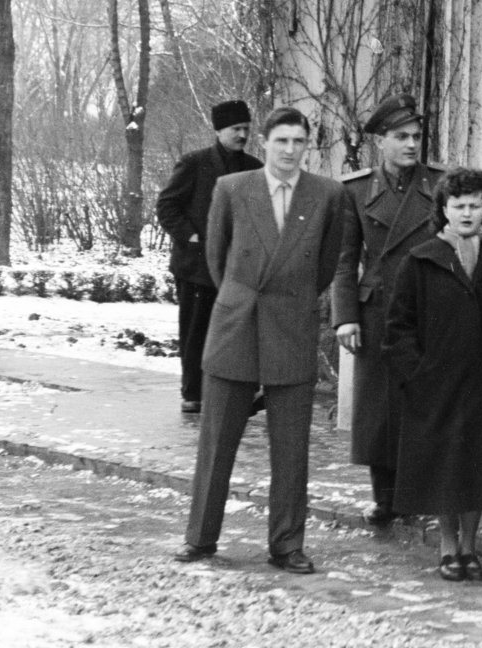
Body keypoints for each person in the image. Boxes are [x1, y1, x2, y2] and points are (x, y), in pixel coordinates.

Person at [175, 107, 347, 574]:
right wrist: (243, 296)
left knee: (291, 448)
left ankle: (287, 545)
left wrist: (289, 301)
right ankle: (201, 537)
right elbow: (217, 257)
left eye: (298, 142)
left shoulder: (327, 195)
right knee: (216, 441)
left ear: (306, 146)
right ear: (264, 143)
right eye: (281, 141)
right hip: (236, 324)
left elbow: (325, 265)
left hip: (290, 325)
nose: (289, 150)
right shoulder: (233, 188)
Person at [382, 167, 482, 581]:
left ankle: (471, 548)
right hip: (437, 383)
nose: (468, 213)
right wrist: (417, 373)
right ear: (444, 210)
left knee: (476, 465)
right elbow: (398, 326)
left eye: (476, 205)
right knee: (445, 466)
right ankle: (446, 546)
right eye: (459, 206)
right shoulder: (421, 260)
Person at [331, 94, 446, 525]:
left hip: (429, 306)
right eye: (401, 137)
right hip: (377, 308)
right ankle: (384, 496)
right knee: (379, 407)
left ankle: (418, 494)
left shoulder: (441, 185)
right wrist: (344, 316)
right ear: (381, 141)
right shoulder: (356, 191)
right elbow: (345, 259)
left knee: (423, 399)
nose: (412, 145)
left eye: (416, 137)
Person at [155, 100, 263, 413]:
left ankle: (237, 392)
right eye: (235, 129)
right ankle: (193, 393)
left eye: (246, 128)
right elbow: (167, 206)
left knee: (240, 331)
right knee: (195, 330)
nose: (242, 134)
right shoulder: (194, 163)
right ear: (218, 130)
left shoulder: (255, 168)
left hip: (239, 266)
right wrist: (190, 236)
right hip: (196, 266)